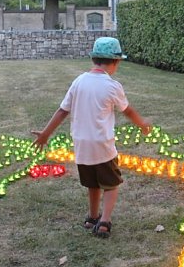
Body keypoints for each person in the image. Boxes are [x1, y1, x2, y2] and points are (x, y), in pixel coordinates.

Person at [32, 37, 151, 239]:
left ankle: (92, 217)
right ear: (115, 62)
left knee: (92, 183)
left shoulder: (78, 82)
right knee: (111, 184)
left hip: (81, 145)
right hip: (102, 145)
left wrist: (45, 134)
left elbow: (62, 111)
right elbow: (127, 110)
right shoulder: (112, 86)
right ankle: (104, 221)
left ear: (94, 59)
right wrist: (142, 124)